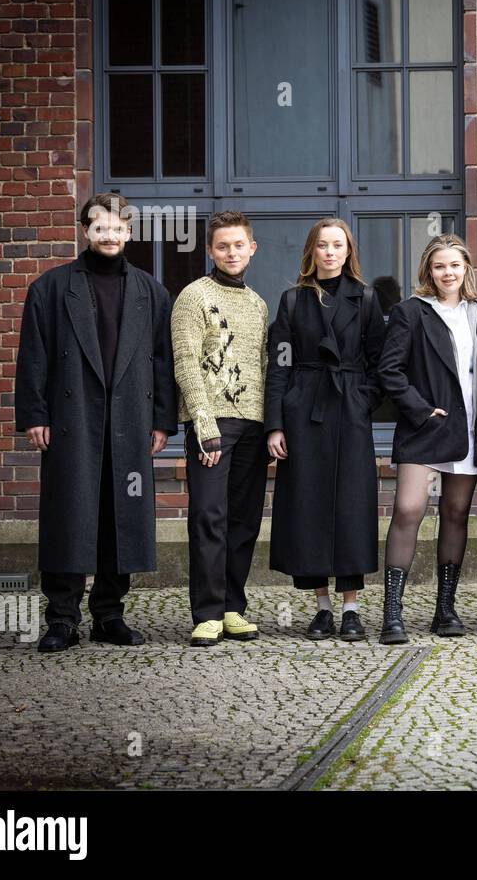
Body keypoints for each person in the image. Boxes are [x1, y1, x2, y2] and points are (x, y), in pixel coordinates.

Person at [15, 192, 176, 652]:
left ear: (129, 232)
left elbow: (163, 362)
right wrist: (34, 415)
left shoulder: (151, 291)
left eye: (118, 227)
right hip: (71, 418)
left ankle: (109, 614)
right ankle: (62, 618)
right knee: (69, 514)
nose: (109, 235)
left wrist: (162, 420)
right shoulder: (51, 287)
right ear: (85, 230)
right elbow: (33, 357)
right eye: (100, 227)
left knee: (120, 516)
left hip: (130, 418)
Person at [263, 218, 387, 642]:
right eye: (323, 245)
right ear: (311, 251)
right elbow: (278, 366)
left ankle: (351, 607)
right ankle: (322, 607)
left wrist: (361, 399)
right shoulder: (292, 300)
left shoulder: (367, 299)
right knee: (308, 506)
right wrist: (276, 424)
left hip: (349, 411)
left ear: (348, 251)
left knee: (351, 505)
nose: (330, 252)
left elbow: (380, 363)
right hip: (304, 412)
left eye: (338, 245)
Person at [377, 234, 477, 644]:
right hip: (424, 428)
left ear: (465, 269)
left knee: (456, 513)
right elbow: (390, 371)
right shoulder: (410, 312)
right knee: (408, 509)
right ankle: (392, 613)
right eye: (440, 266)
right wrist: (422, 409)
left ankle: (445, 609)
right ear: (429, 270)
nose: (448, 273)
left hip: (469, 429)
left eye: (455, 266)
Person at [171, 211, 270, 647]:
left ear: (252, 248)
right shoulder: (193, 297)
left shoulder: (258, 303)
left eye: (239, 245)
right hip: (211, 425)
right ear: (210, 251)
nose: (232, 252)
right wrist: (204, 426)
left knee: (244, 520)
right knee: (209, 516)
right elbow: (185, 363)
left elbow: (264, 368)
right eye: (222, 246)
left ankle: (233, 607)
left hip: (252, 425)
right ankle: (207, 612)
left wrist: (269, 426)